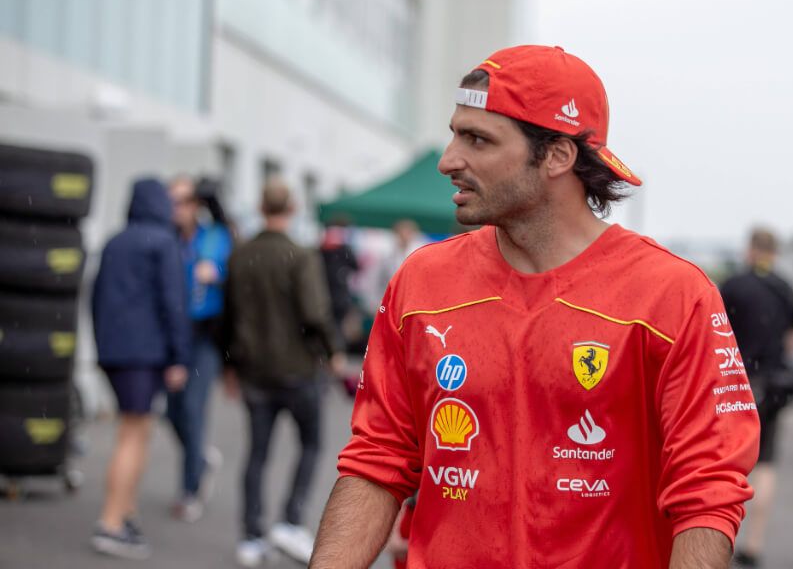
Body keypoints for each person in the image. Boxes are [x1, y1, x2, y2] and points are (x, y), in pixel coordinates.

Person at [311, 45, 759, 569]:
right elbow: (377, 460)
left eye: (477, 139)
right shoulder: (421, 281)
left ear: (557, 156)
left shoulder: (671, 294)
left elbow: (706, 494)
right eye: (456, 133)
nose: (447, 160)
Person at [221, 180, 345, 567]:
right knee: (310, 445)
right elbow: (314, 312)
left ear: (260, 207)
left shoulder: (240, 255)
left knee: (257, 453)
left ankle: (251, 535)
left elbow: (228, 317)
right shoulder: (299, 256)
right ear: (290, 210)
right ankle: (290, 521)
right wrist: (333, 350)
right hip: (298, 370)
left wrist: (229, 366)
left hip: (255, 371)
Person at [90, 177, 190, 559]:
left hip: (116, 353)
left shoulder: (115, 241)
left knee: (135, 430)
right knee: (133, 433)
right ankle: (111, 524)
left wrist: (104, 346)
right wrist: (179, 356)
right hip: (144, 355)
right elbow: (173, 302)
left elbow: (96, 298)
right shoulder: (163, 242)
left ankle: (124, 514)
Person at [719, 227, 793, 568]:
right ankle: (753, 544)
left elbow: (716, 332)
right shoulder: (785, 288)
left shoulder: (734, 285)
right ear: (775, 251)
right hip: (774, 385)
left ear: (751, 249)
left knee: (725, 463)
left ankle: (723, 539)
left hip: (735, 383)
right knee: (765, 462)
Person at [166, 175, 233, 522]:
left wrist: (217, 276)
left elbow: (237, 276)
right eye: (172, 200)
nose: (176, 208)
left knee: (192, 410)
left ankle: (189, 491)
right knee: (172, 412)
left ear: (196, 205)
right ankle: (202, 460)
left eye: (183, 200)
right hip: (174, 336)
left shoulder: (216, 236)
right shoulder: (168, 239)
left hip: (206, 336)